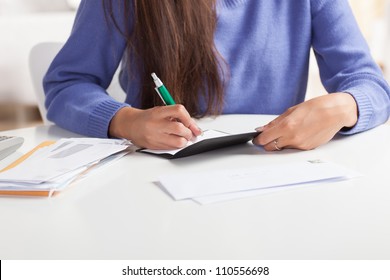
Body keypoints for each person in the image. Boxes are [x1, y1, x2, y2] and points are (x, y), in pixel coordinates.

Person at [43, 0, 390, 151]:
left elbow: (369, 83)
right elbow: (66, 85)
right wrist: (125, 121)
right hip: (153, 176)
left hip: (273, 170)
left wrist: (343, 107)